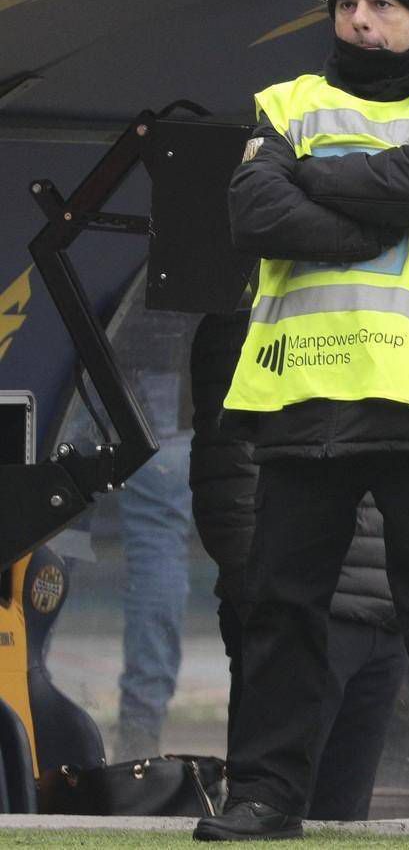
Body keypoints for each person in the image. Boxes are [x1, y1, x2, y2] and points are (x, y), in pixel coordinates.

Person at [191, 0, 409, 841]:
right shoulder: (286, 101)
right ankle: (264, 795)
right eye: (349, 4)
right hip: (304, 388)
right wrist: (379, 216)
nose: (361, 20)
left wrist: (316, 177)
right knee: (280, 604)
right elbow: (253, 214)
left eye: (383, 5)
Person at [189, 309, 408, 821]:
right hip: (304, 612)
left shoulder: (381, 306)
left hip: (379, 613)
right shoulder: (251, 314)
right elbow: (228, 476)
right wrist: (270, 606)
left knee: (340, 823)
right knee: (272, 810)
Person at [110, 309, 198, 761]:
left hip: (80, 347)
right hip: (169, 364)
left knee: (45, 533)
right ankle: (140, 732)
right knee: (158, 540)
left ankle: (27, 695)